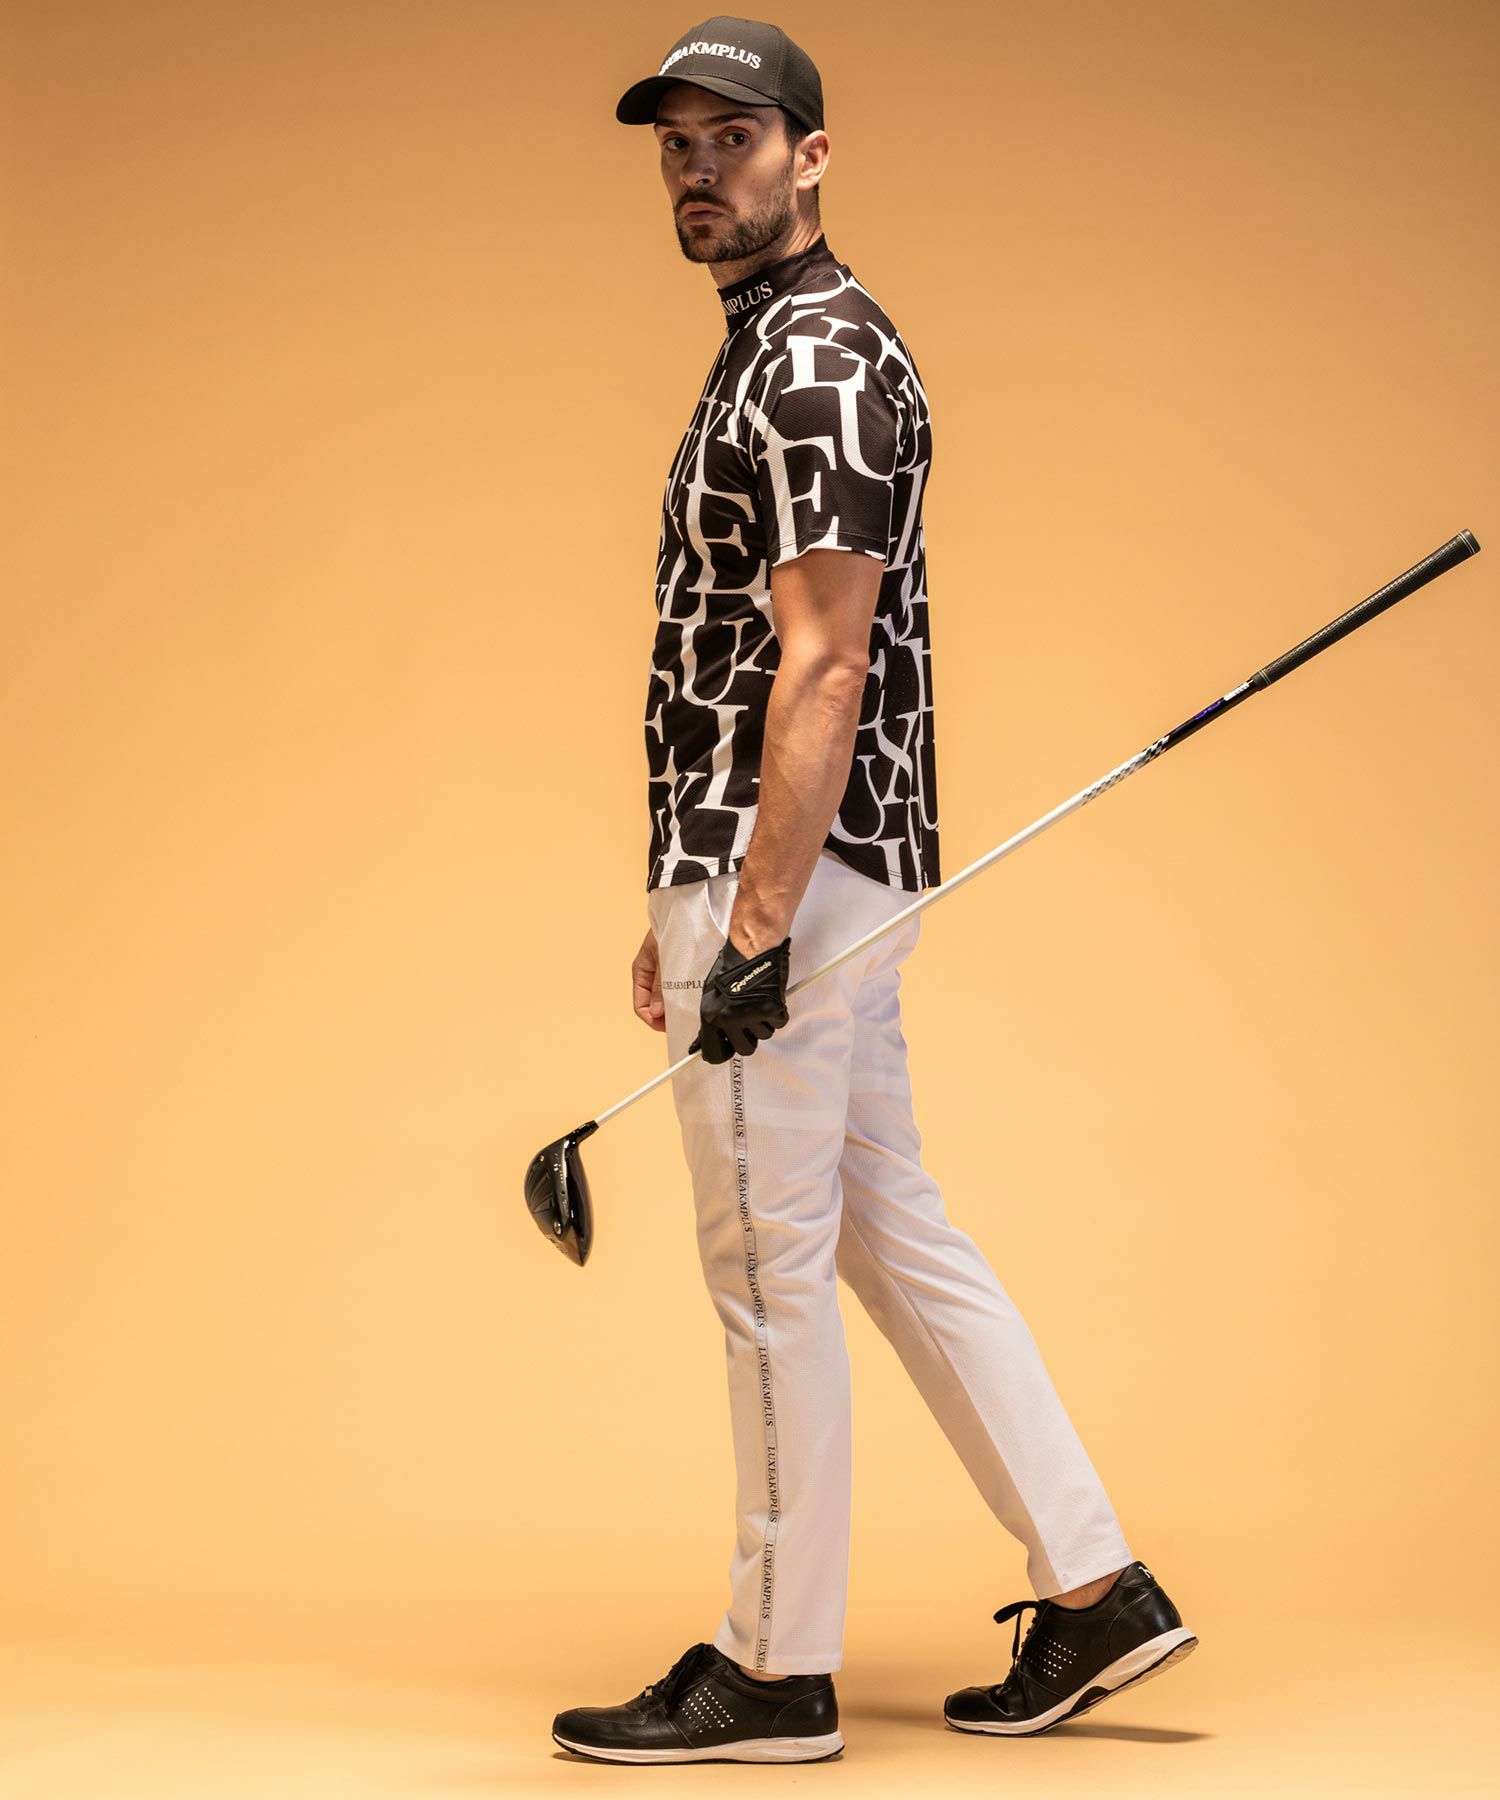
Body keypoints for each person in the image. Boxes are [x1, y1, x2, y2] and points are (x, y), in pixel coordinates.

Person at [551, 14, 1196, 1766]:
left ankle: (774, 1668)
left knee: (764, 1268)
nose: (700, 170)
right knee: (881, 1224)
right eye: (677, 144)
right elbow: (741, 657)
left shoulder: (819, 362)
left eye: (734, 139)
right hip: (792, 863)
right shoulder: (781, 342)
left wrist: (750, 922)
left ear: (812, 155)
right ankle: (1096, 1586)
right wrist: (688, 893)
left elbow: (824, 663)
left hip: (801, 880)